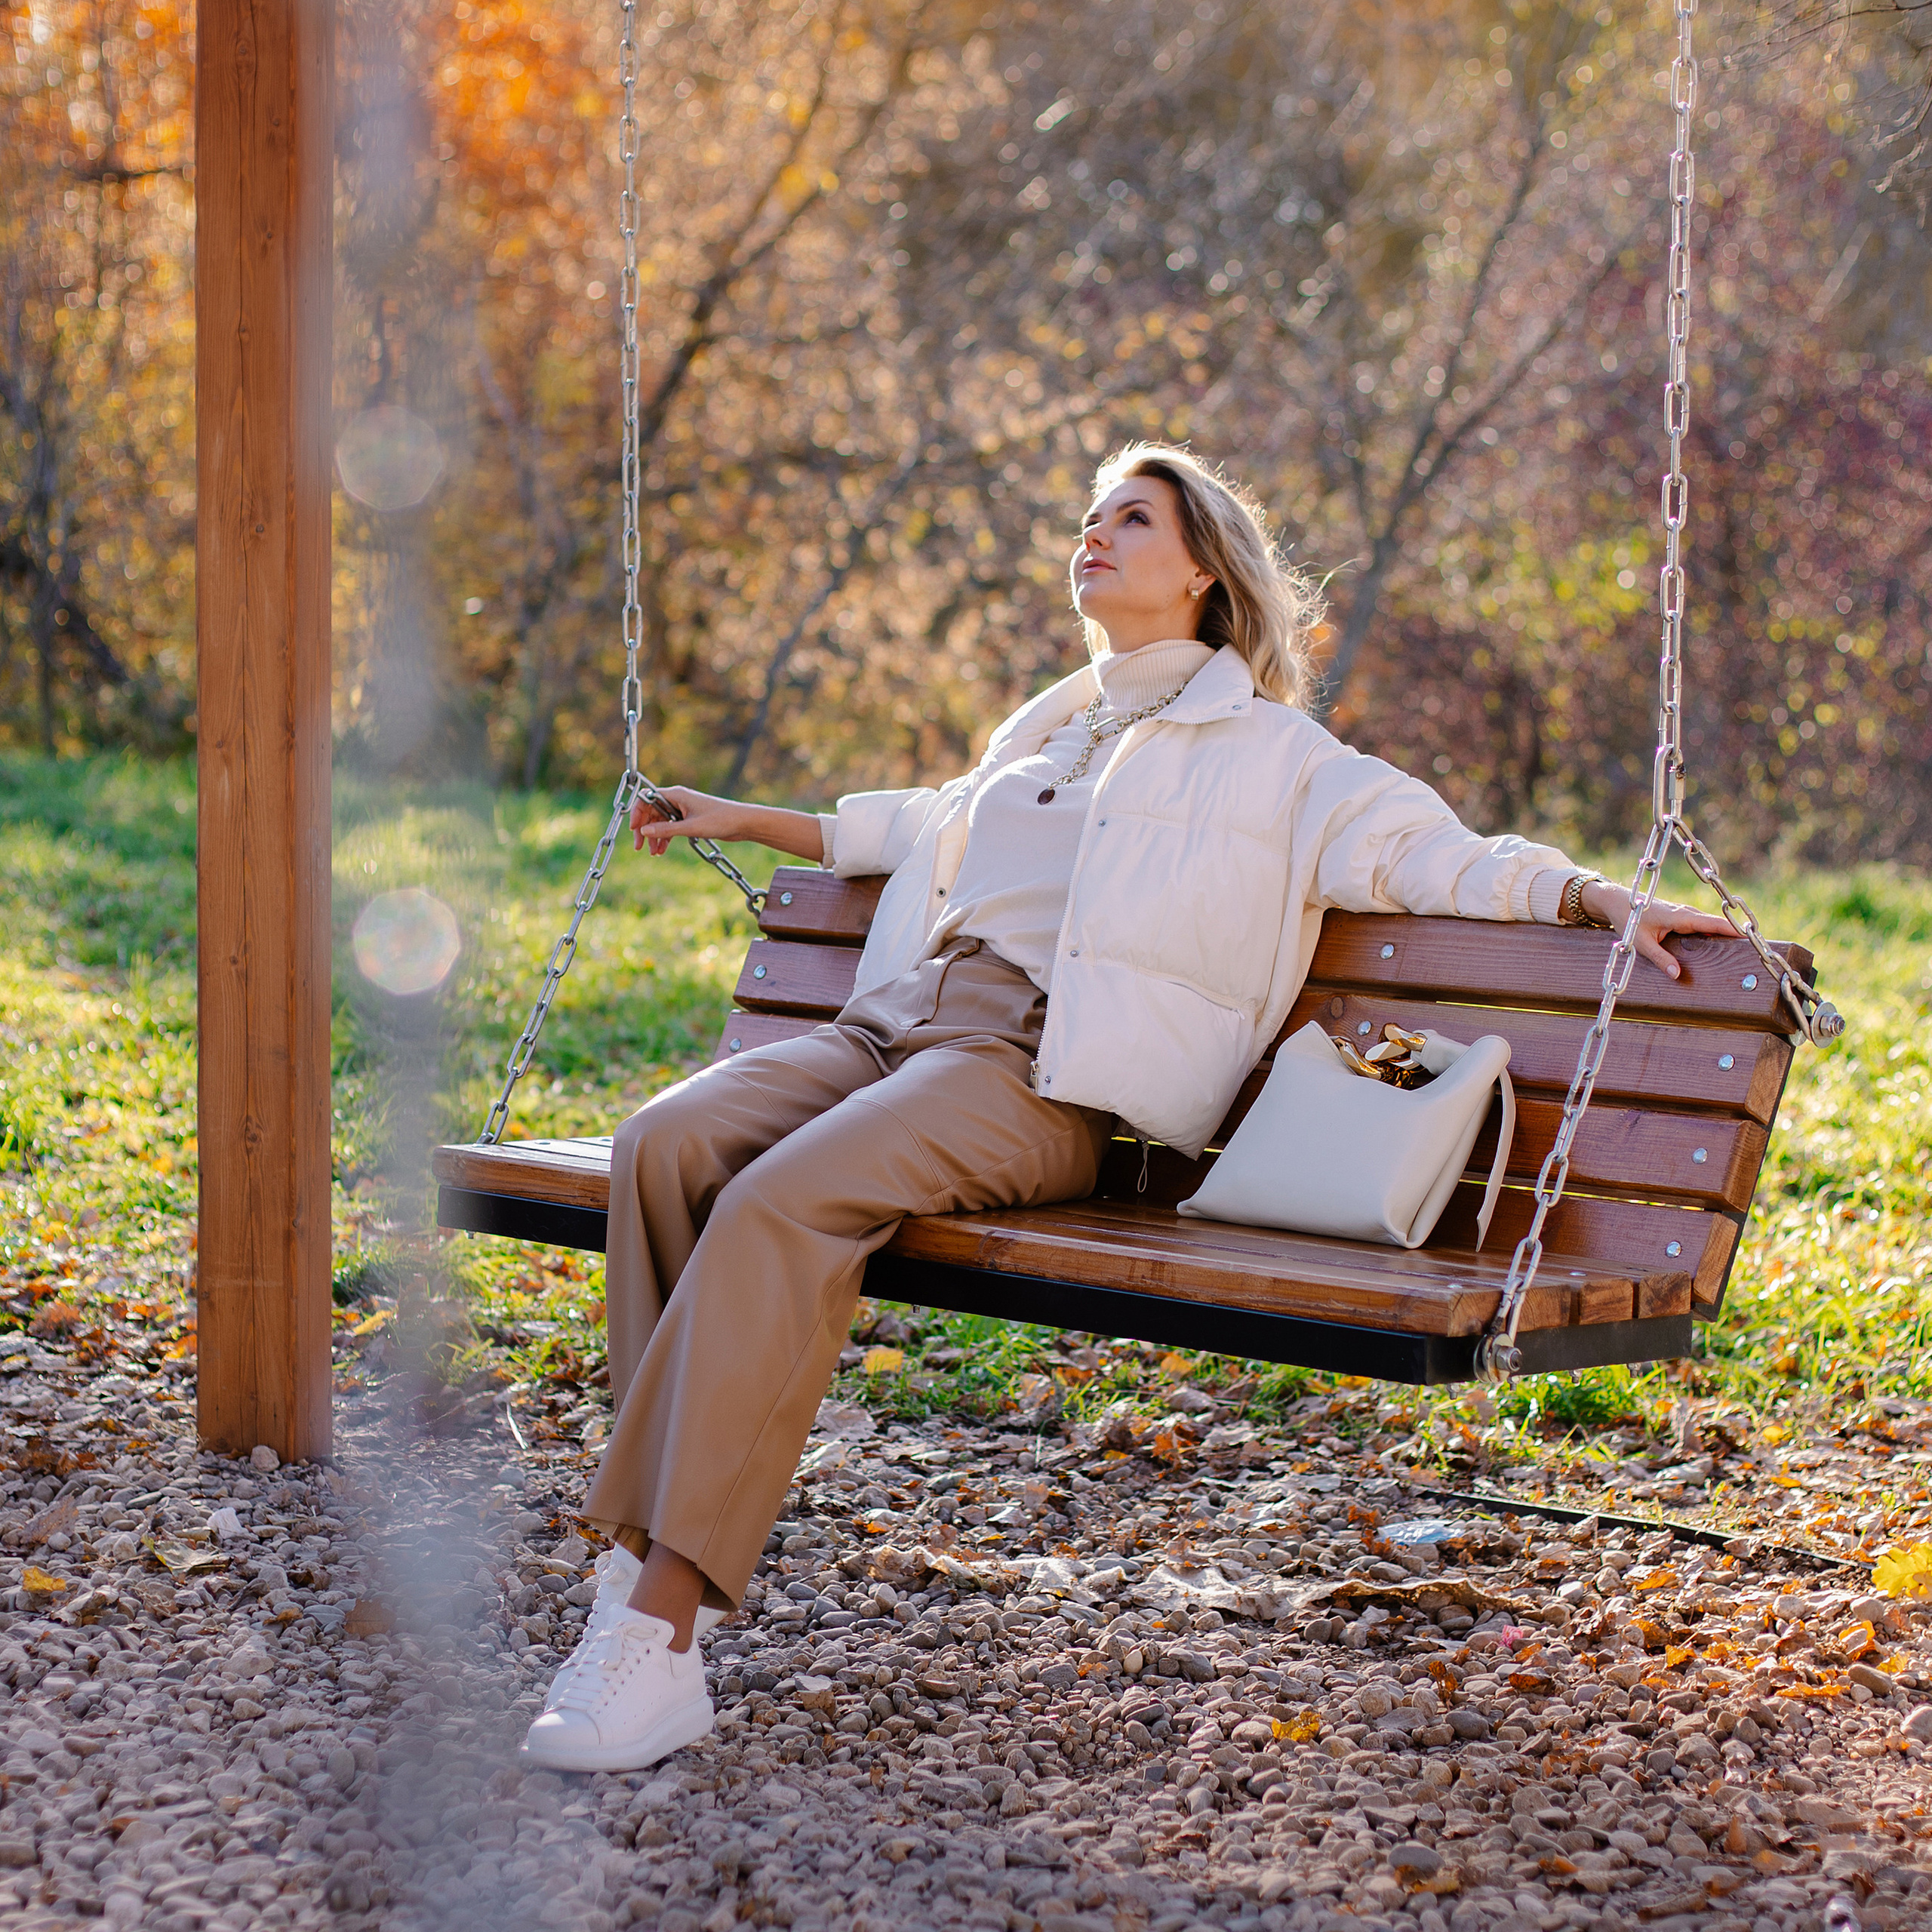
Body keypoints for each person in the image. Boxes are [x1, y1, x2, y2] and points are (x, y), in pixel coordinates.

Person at [517, 443, 1732, 1772]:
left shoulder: (1279, 757)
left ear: (1204, 570)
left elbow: (1433, 851)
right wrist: (747, 818)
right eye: (1089, 517)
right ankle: (640, 1560)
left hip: (1038, 1076)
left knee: (781, 1201)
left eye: (1131, 519)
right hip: (898, 1024)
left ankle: (661, 1632)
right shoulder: (1050, 722)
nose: (1093, 534)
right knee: (664, 1143)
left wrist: (1587, 897)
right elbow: (932, 824)